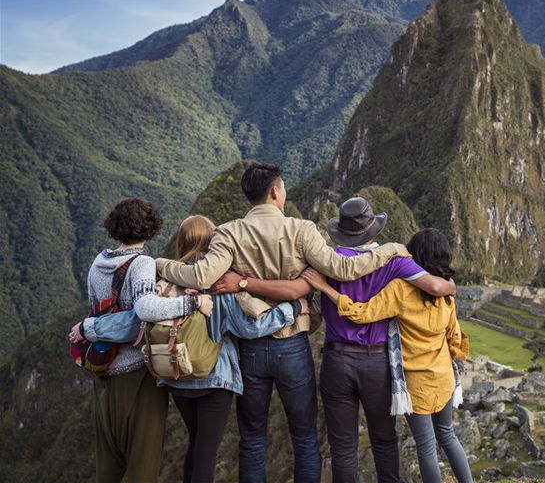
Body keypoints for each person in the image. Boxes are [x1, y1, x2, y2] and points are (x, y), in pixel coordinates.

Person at [154, 163, 423, 483]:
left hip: (251, 349)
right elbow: (344, 268)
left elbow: (200, 276)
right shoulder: (301, 229)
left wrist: (157, 263)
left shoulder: (229, 232)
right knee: (305, 438)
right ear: (275, 191)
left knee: (252, 439)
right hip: (293, 344)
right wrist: (391, 249)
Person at [218, 197, 457, 483]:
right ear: (374, 231)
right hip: (377, 364)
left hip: (336, 360)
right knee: (384, 439)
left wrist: (243, 282)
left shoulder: (326, 261)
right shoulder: (394, 263)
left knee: (343, 447)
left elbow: (294, 289)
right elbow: (433, 285)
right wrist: (451, 284)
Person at [304, 228, 473, 483]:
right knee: (448, 435)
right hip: (444, 377)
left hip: (416, 383)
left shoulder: (400, 290)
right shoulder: (447, 294)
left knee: (426, 447)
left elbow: (360, 313)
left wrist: (325, 288)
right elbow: (455, 336)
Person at [67, 197, 213, 483]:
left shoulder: (99, 263)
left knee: (108, 466)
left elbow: (96, 309)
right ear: (151, 229)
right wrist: (191, 304)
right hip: (137, 375)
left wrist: (89, 327)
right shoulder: (142, 263)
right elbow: (144, 310)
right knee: (142, 465)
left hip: (102, 374)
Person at [160, 215, 304, 483]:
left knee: (196, 443)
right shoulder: (218, 282)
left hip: (175, 374)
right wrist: (291, 309)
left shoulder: (167, 280)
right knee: (207, 452)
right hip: (213, 378)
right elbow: (248, 328)